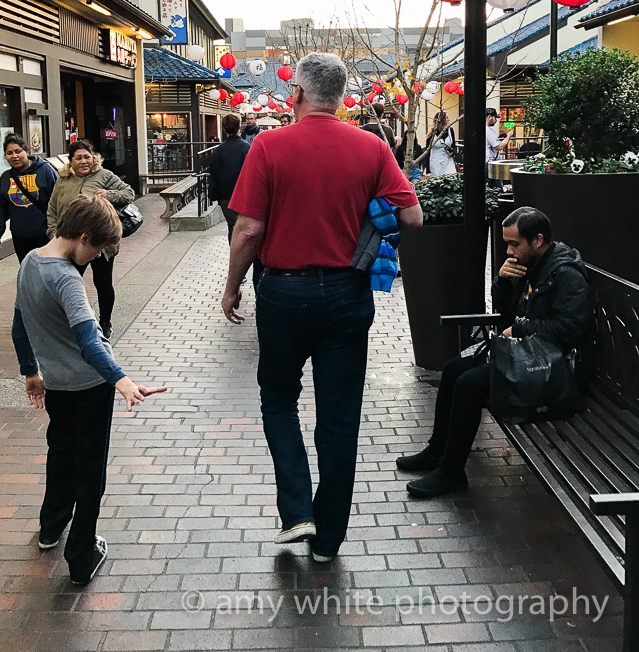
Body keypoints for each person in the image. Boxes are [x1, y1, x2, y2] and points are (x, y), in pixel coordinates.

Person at [221, 52, 422, 562]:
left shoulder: (269, 146)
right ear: (341, 98)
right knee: (339, 416)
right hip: (347, 294)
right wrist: (367, 225)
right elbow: (412, 216)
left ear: (298, 94)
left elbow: (248, 230)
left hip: (284, 294)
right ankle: (328, 539)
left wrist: (232, 286)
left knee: (278, 399)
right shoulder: (372, 147)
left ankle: (297, 511)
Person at [11, 195, 166, 585]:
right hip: (90, 386)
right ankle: (82, 556)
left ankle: (50, 528)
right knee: (90, 468)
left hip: (57, 386)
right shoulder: (66, 278)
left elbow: (19, 323)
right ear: (83, 236)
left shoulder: (29, 262)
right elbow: (89, 341)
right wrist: (121, 379)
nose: (96, 256)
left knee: (61, 453)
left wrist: (30, 371)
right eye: (97, 249)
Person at [398, 206, 593, 499]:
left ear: (537, 240)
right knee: (454, 368)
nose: (509, 250)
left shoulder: (565, 275)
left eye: (515, 243)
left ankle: (451, 472)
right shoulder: (530, 265)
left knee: (469, 385)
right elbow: (505, 315)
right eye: (506, 243)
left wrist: (522, 329)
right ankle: (437, 450)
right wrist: (503, 281)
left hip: (554, 370)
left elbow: (573, 327)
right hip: (530, 354)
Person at [46, 140, 134, 339]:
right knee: (69, 283)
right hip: (71, 244)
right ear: (71, 161)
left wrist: (109, 194)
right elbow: (52, 209)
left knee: (102, 283)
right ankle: (74, 320)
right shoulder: (63, 181)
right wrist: (54, 234)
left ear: (94, 157)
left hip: (101, 243)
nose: (83, 161)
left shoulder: (104, 175)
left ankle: (105, 322)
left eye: (87, 156)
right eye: (78, 158)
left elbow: (128, 193)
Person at [0, 133, 58, 262]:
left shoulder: (45, 171)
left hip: (46, 234)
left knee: (47, 268)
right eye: (9, 153)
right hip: (20, 236)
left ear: (26, 151)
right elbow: (0, 208)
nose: (14, 156)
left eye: (18, 151)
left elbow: (60, 201)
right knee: (27, 269)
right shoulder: (5, 178)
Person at [208, 114, 250, 242]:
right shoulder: (247, 148)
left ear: (224, 129)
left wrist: (215, 195)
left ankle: (234, 252)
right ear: (239, 127)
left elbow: (214, 175)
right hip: (245, 196)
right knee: (246, 229)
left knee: (232, 228)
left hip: (226, 197)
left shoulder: (219, 151)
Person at [426, 111, 456, 176]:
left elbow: (454, 146)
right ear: (442, 120)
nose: (449, 119)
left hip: (448, 160)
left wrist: (452, 152)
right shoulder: (432, 134)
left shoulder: (450, 130)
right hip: (436, 162)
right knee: (438, 180)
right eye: (447, 117)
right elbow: (427, 152)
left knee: (452, 177)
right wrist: (428, 170)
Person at [486, 108, 513, 172]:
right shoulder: (488, 131)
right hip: (488, 161)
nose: (496, 120)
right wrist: (508, 136)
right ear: (489, 117)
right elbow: (499, 147)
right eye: (495, 118)